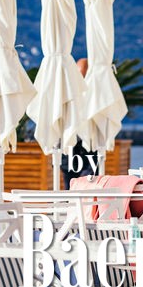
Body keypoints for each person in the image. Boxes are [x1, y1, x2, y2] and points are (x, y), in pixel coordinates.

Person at [62, 57, 97, 189]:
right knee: (69, 187)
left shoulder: (95, 94)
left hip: (89, 150)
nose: (81, 77)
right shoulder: (67, 93)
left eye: (84, 73)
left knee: (88, 187)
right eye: (79, 73)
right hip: (69, 151)